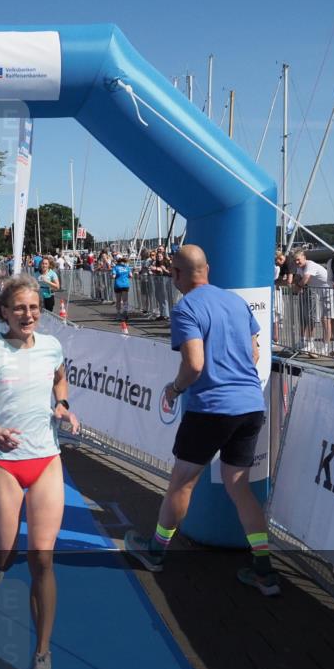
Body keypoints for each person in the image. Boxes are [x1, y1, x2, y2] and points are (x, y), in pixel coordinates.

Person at [124, 245, 278, 596]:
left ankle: (155, 552)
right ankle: (264, 569)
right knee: (239, 486)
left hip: (211, 408)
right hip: (251, 405)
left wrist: (175, 389)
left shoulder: (186, 308)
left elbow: (194, 364)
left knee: (182, 483)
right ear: (207, 269)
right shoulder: (236, 303)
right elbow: (255, 352)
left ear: (177, 274)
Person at [0, 274, 80, 669]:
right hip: (5, 464)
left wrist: (62, 406)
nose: (28, 315)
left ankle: (41, 660)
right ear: (4, 313)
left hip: (46, 459)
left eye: (34, 307)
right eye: (19, 308)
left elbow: (59, 380)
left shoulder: (51, 346)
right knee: (6, 549)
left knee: (42, 559)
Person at [292, 249, 331, 355]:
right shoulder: (300, 267)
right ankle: (303, 341)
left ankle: (316, 344)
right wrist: (297, 284)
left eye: (298, 260)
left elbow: (305, 279)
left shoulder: (310, 265)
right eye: (295, 260)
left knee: (319, 318)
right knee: (304, 317)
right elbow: (297, 278)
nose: (297, 262)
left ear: (304, 257)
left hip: (328, 291)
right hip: (317, 291)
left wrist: (297, 288)